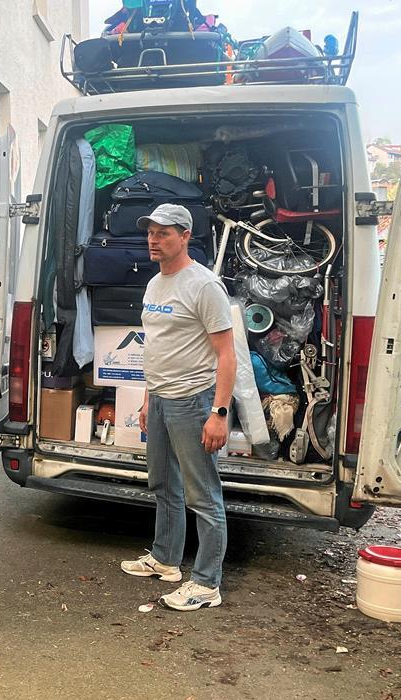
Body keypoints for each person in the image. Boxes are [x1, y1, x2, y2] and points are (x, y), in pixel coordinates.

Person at [119, 203, 235, 612]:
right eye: (150, 232)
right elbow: (157, 347)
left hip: (192, 400)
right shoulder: (155, 285)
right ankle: (166, 559)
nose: (154, 239)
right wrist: (150, 399)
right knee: (163, 484)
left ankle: (206, 584)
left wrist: (218, 413)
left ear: (185, 236)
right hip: (163, 400)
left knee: (202, 494)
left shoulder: (203, 286)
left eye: (164, 233)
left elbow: (226, 354)